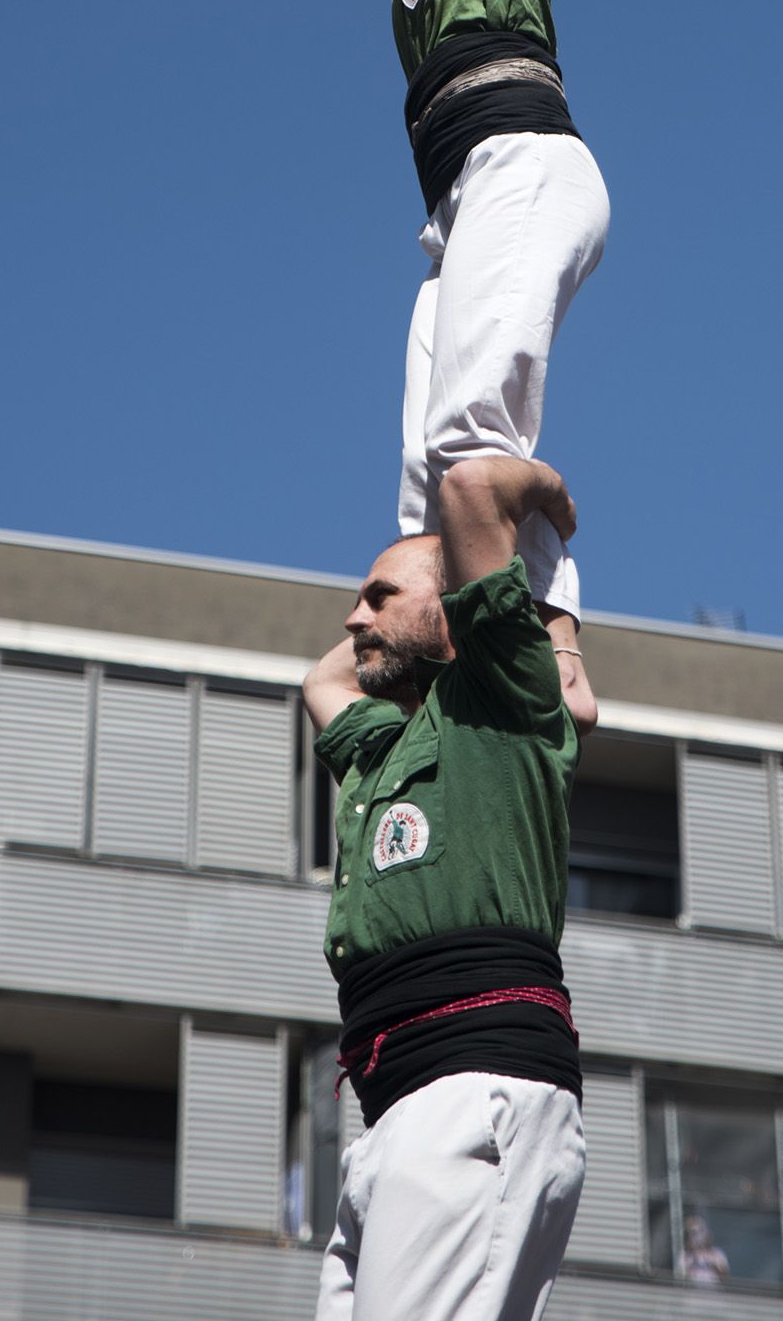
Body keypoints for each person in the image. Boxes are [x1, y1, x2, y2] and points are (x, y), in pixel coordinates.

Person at [275, 0, 609, 680]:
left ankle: (545, 652)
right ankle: (460, 653)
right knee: (428, 474)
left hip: (521, 162)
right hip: (457, 204)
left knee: (473, 429)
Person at [303, 453, 588, 1321]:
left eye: (378, 596)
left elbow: (470, 486)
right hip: (395, 1114)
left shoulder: (500, 705)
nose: (354, 616)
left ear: (453, 606)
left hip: (473, 1089)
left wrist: (546, 521)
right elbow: (323, 682)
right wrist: (411, 597)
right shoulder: (385, 749)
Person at [678, 1214, 731, 1287]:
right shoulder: (685, 1255)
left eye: (699, 1232)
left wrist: (713, 1265)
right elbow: (680, 1278)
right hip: (692, 1293)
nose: (696, 1237)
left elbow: (726, 1278)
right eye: (692, 1233)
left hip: (713, 1293)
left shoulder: (717, 1253)